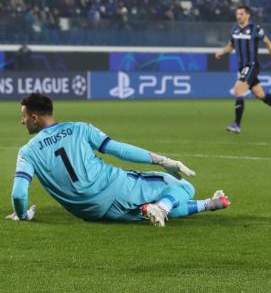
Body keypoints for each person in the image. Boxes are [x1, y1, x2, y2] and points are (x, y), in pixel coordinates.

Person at [6, 93, 230, 227]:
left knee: (146, 210)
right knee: (184, 186)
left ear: (35, 118)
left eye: (23, 116)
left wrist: (23, 214)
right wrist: (162, 160)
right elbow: (118, 150)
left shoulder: (27, 152)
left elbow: (18, 193)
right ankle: (162, 207)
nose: (22, 121)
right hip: (115, 187)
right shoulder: (80, 128)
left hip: (91, 211)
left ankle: (208, 204)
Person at [215, 5, 271, 133]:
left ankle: (237, 125)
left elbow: (268, 43)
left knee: (238, 90)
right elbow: (231, 45)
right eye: (237, 14)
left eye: (241, 14)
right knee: (260, 94)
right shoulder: (235, 29)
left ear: (248, 15)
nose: (239, 16)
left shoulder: (255, 29)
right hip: (242, 67)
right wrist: (222, 52)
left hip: (251, 65)